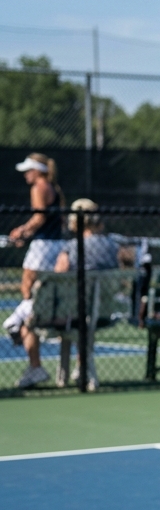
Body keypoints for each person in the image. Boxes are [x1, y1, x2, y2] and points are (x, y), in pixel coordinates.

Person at [4, 154, 66, 388]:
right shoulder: (54, 188)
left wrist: (22, 230)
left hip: (43, 248)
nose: (25, 174)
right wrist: (27, 234)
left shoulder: (39, 187)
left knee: (28, 291)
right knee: (39, 298)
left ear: (38, 170)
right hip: (54, 247)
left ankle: (17, 327)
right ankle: (21, 330)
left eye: (29, 169)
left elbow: (39, 217)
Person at [51, 199, 121, 389]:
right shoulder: (112, 246)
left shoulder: (71, 247)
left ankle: (68, 372)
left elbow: (58, 277)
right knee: (85, 313)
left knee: (73, 314)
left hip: (72, 312)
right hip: (105, 311)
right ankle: (81, 367)